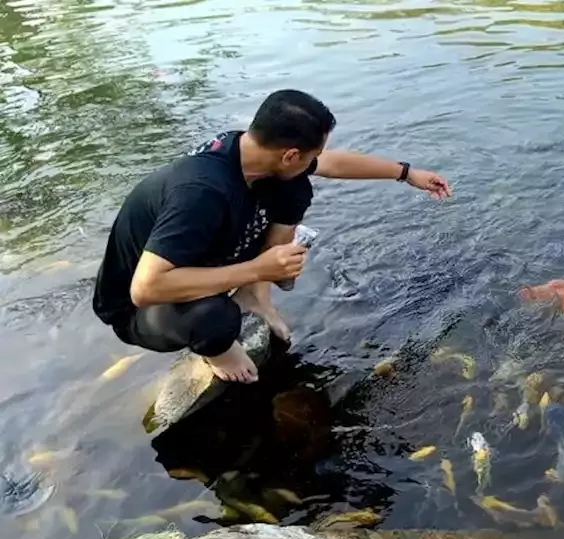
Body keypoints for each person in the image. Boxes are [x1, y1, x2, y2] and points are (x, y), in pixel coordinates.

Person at [92, 89, 451, 383]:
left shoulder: (250, 151)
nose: (317, 160)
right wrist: (259, 267)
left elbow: (334, 165)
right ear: (290, 153)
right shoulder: (200, 190)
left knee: (295, 188)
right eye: (312, 153)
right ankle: (217, 350)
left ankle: (255, 297)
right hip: (142, 308)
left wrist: (407, 174)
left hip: (197, 261)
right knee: (216, 318)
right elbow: (145, 288)